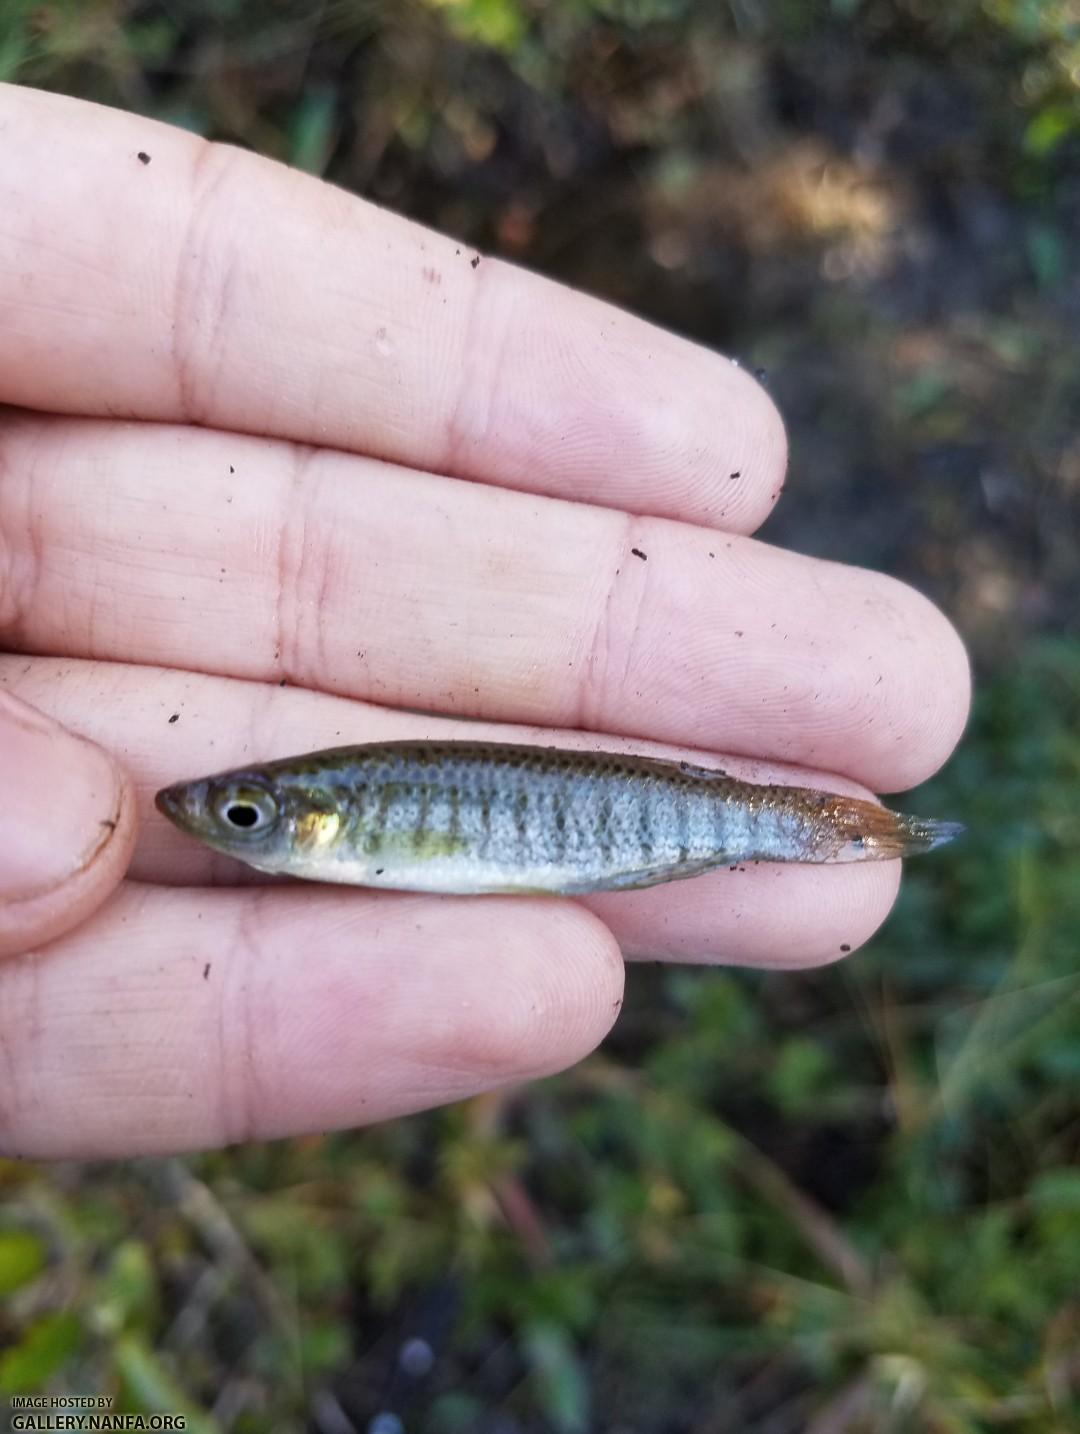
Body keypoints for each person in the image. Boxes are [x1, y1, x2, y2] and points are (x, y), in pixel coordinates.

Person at [0, 84, 970, 1161]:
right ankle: (823, 830)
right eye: (241, 814)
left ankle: (819, 831)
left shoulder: (343, 818)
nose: (225, 820)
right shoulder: (336, 826)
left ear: (316, 820)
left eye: (245, 817)